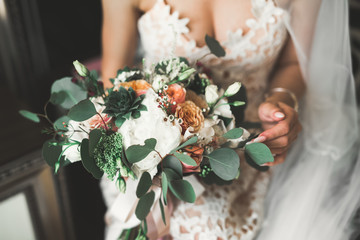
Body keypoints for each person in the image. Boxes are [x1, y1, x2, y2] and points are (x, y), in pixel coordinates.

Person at [99, 0, 360, 239]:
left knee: (213, 223)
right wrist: (150, 140)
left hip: (250, 146)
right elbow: (114, 78)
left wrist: (281, 102)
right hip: (150, 146)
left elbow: (295, 61)